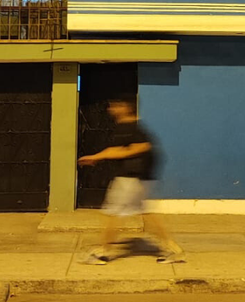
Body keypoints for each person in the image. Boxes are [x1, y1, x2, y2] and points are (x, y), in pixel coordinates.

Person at [78, 98, 185, 264]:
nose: (111, 109)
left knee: (112, 213)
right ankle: (173, 250)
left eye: (116, 106)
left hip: (130, 179)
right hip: (135, 179)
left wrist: (105, 156)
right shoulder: (127, 127)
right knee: (145, 213)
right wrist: (96, 157)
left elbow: (141, 147)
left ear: (126, 108)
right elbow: (115, 149)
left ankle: (102, 253)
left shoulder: (133, 128)